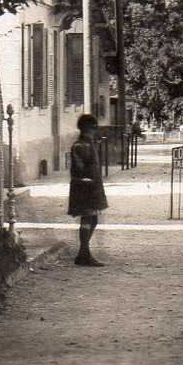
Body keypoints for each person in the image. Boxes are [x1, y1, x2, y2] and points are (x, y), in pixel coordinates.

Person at [67, 114, 109, 266]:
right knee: (87, 218)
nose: (94, 131)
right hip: (84, 187)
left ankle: (82, 253)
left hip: (93, 186)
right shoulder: (80, 145)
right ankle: (84, 254)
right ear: (84, 129)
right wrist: (87, 180)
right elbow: (79, 169)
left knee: (93, 219)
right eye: (91, 128)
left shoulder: (89, 143)